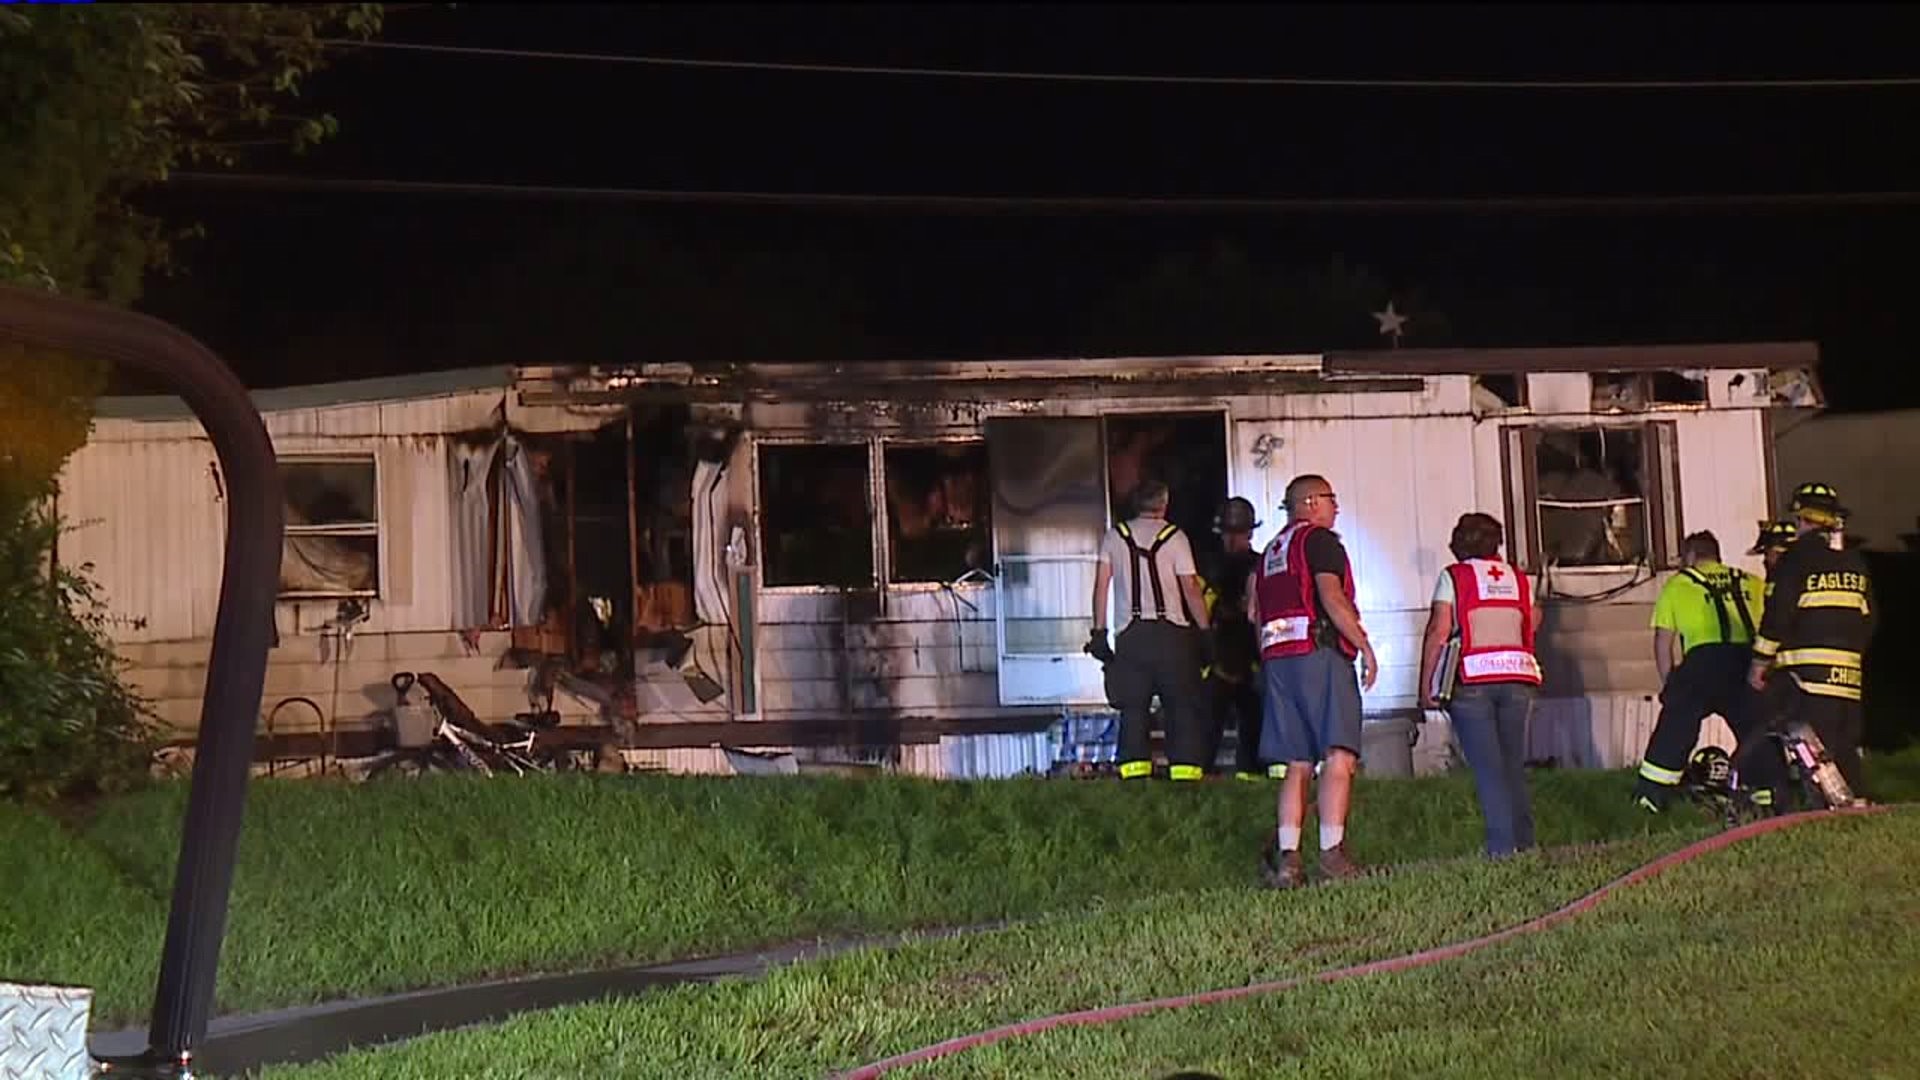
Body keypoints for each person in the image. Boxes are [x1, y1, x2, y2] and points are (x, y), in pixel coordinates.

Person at [1248, 474, 1378, 887]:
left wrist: (1269, 662)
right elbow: (1331, 596)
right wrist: (1364, 647)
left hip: (1278, 660)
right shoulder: (1320, 542)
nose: (1336, 509)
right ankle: (1332, 855)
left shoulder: (1269, 552)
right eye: (1331, 500)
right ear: (1310, 502)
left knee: (1297, 763)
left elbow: (1256, 613)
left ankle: (1289, 861)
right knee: (1338, 755)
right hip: (1318, 654)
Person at [1416, 512, 1543, 858]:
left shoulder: (1453, 577)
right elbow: (1533, 620)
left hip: (1472, 679)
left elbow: (1439, 632)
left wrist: (1426, 686)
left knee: (1489, 768)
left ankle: (1501, 849)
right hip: (1517, 676)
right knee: (1512, 763)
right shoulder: (1518, 578)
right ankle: (1526, 843)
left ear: (1459, 544)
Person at [1748, 482, 1877, 801]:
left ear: (1802, 519)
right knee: (1846, 749)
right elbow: (1869, 620)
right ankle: (1856, 808)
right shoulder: (1854, 564)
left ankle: (1819, 812)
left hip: (1806, 680)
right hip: (1848, 678)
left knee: (1812, 751)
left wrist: (1759, 663)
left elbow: (1778, 617)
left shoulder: (1796, 561)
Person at [1632, 530, 1771, 812]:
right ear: (1717, 556)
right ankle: (1767, 795)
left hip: (1702, 662)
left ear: (1691, 556)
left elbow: (1663, 642)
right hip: (1747, 661)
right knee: (1756, 729)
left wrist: (1670, 684)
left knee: (1676, 728)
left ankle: (1651, 797)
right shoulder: (1752, 582)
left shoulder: (1679, 584)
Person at [1086, 479, 1212, 782]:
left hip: (1131, 636)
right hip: (1173, 635)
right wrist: (1206, 631)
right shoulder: (1176, 537)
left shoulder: (1115, 537)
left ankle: (1134, 778)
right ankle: (1184, 777)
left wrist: (1099, 631)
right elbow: (1191, 589)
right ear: (1164, 503)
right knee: (1181, 707)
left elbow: (1101, 587)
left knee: (1133, 709)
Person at [1199, 495, 1277, 780]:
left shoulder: (1261, 565)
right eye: (1228, 534)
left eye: (1239, 534)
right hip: (1216, 659)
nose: (1233, 541)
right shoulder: (1207, 567)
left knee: (1254, 727)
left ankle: (1251, 780)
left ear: (1250, 533)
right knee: (1207, 729)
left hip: (1251, 659)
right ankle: (1201, 782)